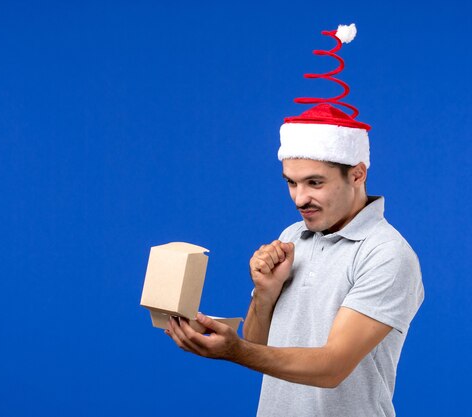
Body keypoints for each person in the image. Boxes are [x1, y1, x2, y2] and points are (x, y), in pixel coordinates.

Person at [166, 24, 424, 417]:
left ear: (357, 174)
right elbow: (259, 345)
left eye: (315, 182)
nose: (300, 198)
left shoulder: (386, 254)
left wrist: (233, 351)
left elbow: (333, 366)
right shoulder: (294, 237)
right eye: (291, 182)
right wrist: (265, 293)